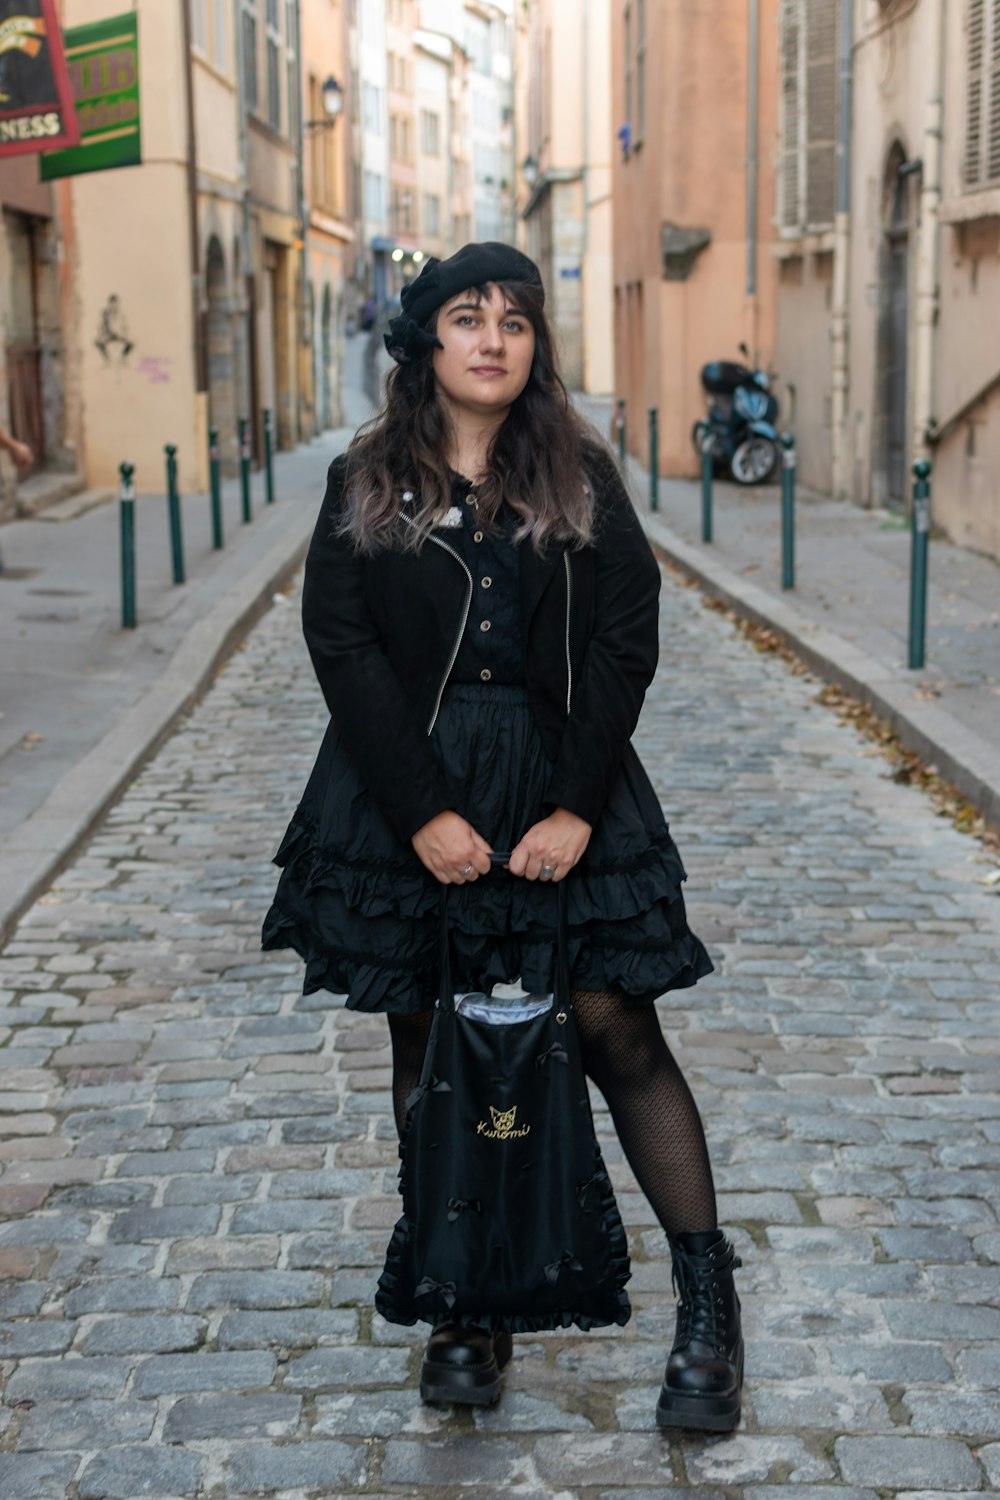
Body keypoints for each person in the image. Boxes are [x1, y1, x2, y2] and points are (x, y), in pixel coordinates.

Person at [263, 242, 743, 1432]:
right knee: (429, 1045)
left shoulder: (579, 474)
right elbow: (344, 648)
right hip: (406, 793)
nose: (493, 338)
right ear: (427, 340)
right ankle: (462, 1304)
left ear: (535, 346)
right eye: (468, 318)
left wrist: (576, 807)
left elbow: (627, 636)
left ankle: (705, 1300)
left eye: (515, 321)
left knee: (613, 1025)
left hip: (559, 776)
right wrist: (421, 811)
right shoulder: (365, 480)